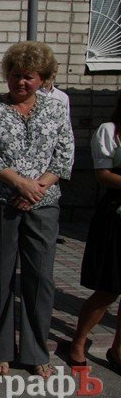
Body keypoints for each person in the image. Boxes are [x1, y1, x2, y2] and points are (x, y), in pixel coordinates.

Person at [0, 41, 74, 379]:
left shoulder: (56, 109)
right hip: (1, 202)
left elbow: (63, 156)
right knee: (1, 277)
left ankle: (35, 351)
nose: (21, 83)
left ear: (42, 78)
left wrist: (36, 188)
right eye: (15, 75)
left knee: (40, 279)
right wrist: (19, 184)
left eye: (29, 77)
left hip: (42, 205)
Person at [68, 93, 121, 373]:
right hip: (116, 212)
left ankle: (118, 349)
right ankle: (79, 340)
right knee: (108, 288)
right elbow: (104, 174)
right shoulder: (109, 131)